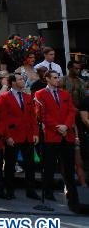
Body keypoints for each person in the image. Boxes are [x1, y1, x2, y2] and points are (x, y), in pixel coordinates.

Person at [35, 70, 77, 205]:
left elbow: (71, 111)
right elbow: (42, 114)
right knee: (49, 166)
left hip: (66, 135)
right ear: (47, 79)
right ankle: (48, 192)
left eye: (58, 77)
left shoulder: (65, 93)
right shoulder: (40, 94)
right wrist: (58, 127)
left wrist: (66, 126)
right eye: (54, 77)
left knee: (69, 166)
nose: (57, 80)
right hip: (52, 135)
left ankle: (72, 192)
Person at [0, 72, 39, 199]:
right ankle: (9, 190)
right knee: (10, 165)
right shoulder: (4, 97)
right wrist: (7, 136)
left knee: (30, 165)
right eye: (20, 79)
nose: (22, 81)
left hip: (27, 135)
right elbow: (2, 119)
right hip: (13, 136)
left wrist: (36, 132)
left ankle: (31, 190)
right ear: (13, 82)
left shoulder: (27, 97)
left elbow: (33, 117)